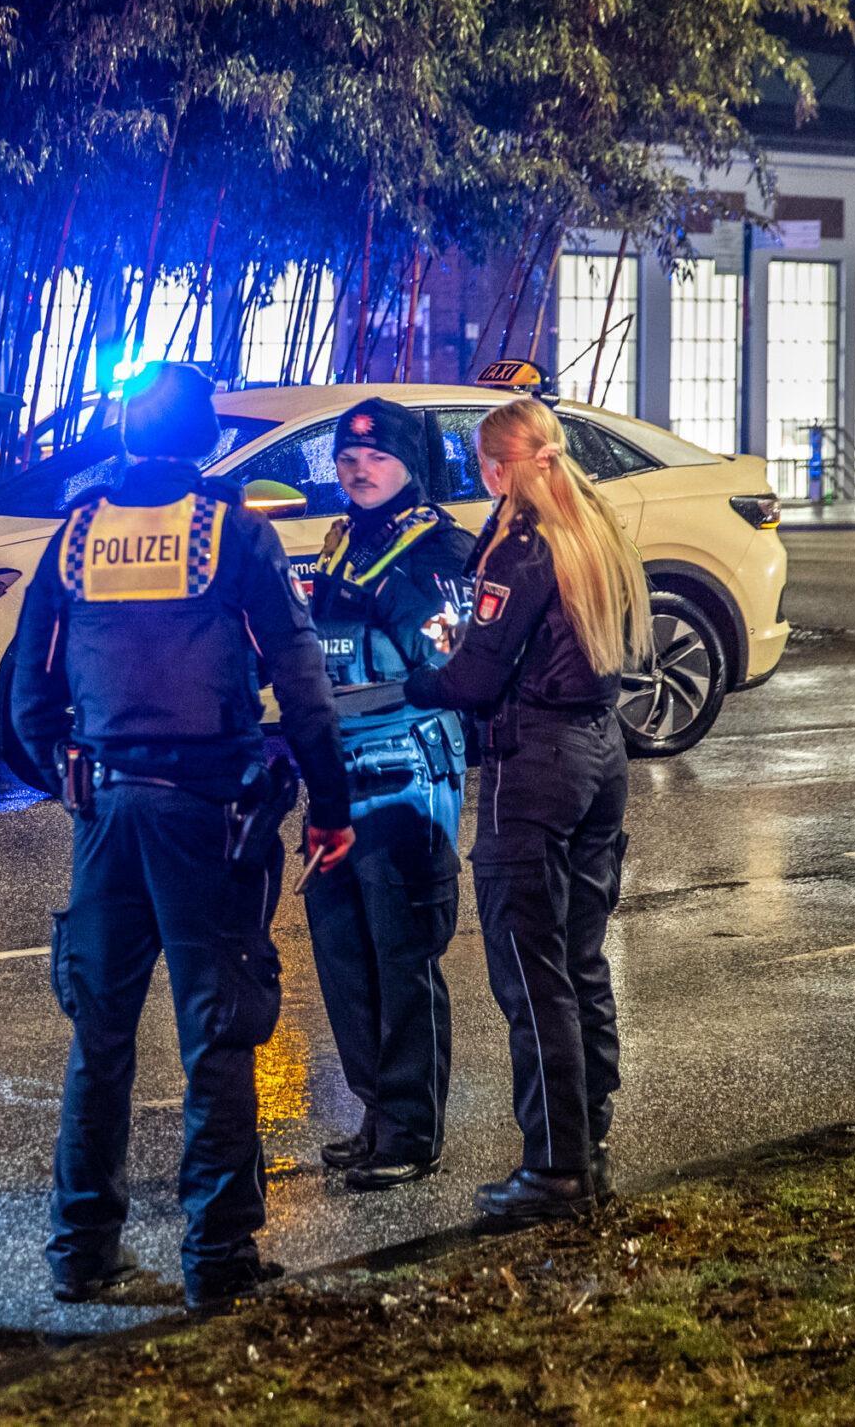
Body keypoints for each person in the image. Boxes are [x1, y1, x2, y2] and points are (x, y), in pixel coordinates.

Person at [10, 361, 354, 1309]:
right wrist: (331, 802)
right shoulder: (235, 532)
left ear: (124, 432)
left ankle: (81, 1252)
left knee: (101, 1037)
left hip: (106, 812)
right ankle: (218, 1261)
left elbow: (27, 697)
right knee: (218, 1034)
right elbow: (302, 680)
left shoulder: (77, 533)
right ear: (204, 437)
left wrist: (73, 779)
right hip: (209, 813)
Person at [406, 394, 651, 1228]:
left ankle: (553, 1166)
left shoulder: (521, 546)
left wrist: (424, 679)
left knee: (529, 970)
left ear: (500, 467)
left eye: (485, 466)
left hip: (534, 765)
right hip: (599, 755)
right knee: (581, 959)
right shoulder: (596, 526)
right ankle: (590, 1134)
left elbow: (475, 678)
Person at [300, 400, 476, 1191]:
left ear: (412, 464)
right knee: (345, 955)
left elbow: (450, 665)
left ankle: (411, 1129)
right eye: (346, 457)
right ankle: (377, 1114)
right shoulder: (342, 544)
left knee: (402, 955)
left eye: (375, 458)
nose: (358, 468)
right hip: (336, 777)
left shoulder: (443, 551)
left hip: (408, 777)